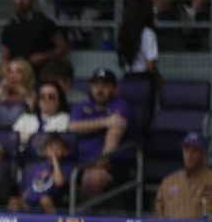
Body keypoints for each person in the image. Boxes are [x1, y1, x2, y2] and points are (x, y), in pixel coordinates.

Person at [68, 68, 133, 203]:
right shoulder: (82, 107)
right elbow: (73, 126)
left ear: (115, 89)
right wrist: (105, 121)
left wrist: (102, 162)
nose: (100, 89)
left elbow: (115, 131)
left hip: (110, 164)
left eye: (105, 85)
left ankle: (77, 219)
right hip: (77, 161)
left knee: (94, 178)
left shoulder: (120, 106)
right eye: (96, 85)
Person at [0, 0, 68, 78]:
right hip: (18, 76)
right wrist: (4, 75)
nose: (20, 0)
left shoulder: (44, 22)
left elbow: (62, 47)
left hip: (41, 75)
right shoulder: (9, 27)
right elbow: (4, 58)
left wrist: (43, 56)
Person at [153, 132, 212, 220]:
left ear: (204, 153)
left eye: (195, 150)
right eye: (186, 150)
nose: (189, 155)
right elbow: (158, 213)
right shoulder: (169, 181)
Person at [117, 0, 161, 102]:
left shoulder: (123, 33)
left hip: (127, 80)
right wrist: (159, 79)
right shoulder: (148, 34)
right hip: (143, 81)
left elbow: (121, 64)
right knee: (145, 115)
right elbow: (150, 66)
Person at [19, 132, 70, 214]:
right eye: (51, 148)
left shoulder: (65, 167)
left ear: (65, 152)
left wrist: (54, 160)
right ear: (45, 151)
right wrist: (23, 198)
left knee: (45, 200)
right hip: (32, 198)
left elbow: (59, 183)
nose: (54, 151)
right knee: (13, 202)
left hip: (50, 199)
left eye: (57, 148)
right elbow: (30, 185)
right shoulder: (39, 166)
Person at [12, 82, 70, 148]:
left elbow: (55, 142)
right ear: (38, 101)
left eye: (51, 97)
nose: (46, 100)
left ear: (59, 101)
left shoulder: (65, 119)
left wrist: (28, 138)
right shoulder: (25, 118)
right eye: (42, 97)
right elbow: (14, 137)